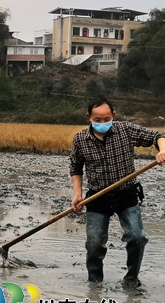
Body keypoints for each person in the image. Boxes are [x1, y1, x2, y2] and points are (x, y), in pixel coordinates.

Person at [70, 97, 165, 286]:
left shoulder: (125, 130)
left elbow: (158, 136)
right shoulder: (80, 139)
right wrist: (77, 193)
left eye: (106, 119)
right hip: (98, 196)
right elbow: (76, 167)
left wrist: (162, 150)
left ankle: (131, 280)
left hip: (126, 194)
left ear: (113, 115)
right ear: (89, 117)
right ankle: (94, 284)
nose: (102, 123)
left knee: (138, 238)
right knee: (94, 244)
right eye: (98, 120)